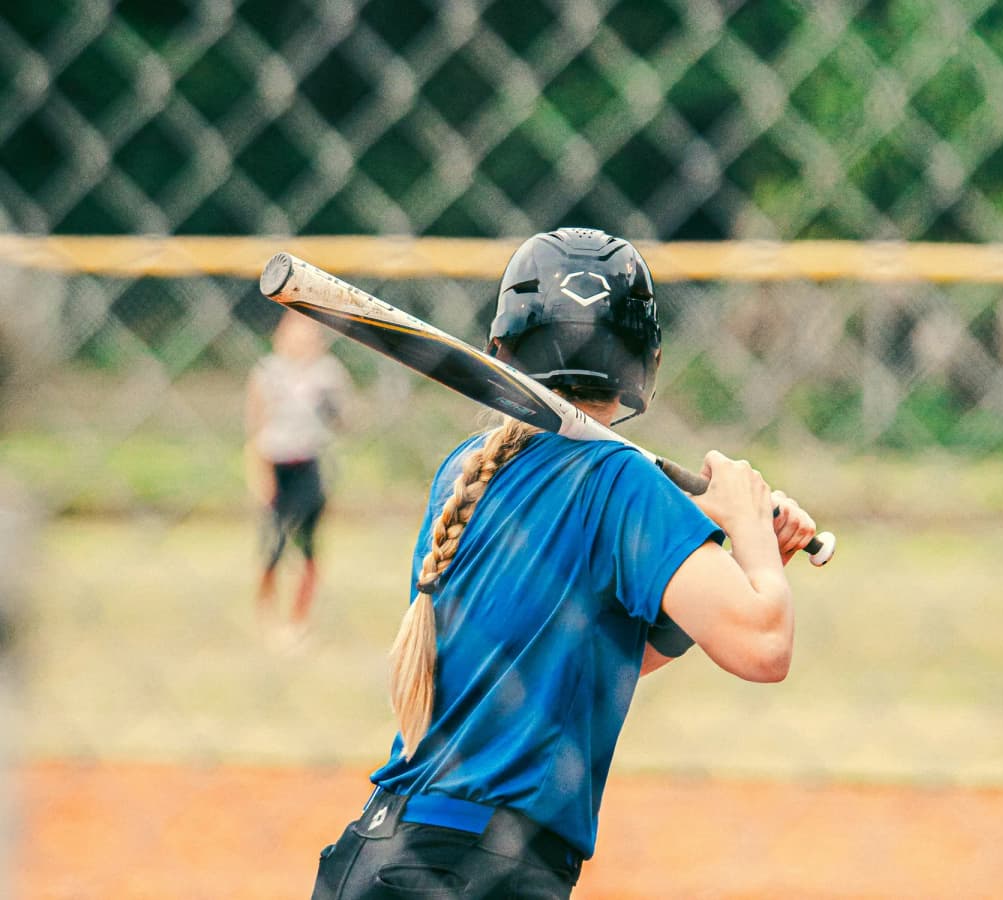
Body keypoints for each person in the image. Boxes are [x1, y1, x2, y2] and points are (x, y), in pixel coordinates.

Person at [309, 227, 817, 899]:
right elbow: (765, 647)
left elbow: (584, 662)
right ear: (646, 358)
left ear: (504, 345)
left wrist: (750, 566)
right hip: (482, 875)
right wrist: (749, 530)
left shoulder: (466, 472)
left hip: (377, 857)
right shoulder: (623, 481)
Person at [245, 310, 351, 651]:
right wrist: (259, 474)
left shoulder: (328, 374)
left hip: (310, 462)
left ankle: (299, 619)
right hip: (276, 461)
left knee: (307, 546)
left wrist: (332, 408)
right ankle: (266, 614)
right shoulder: (267, 372)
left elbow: (344, 421)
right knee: (272, 547)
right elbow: (255, 425)